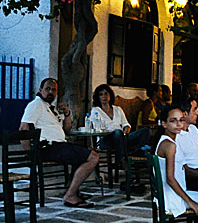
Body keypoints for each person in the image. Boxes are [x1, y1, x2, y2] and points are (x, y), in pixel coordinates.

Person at [19, 78, 99, 208]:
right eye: (47, 89)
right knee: (93, 157)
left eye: (54, 90)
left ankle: (73, 190)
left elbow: (66, 130)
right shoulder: (36, 105)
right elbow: (23, 128)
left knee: (86, 153)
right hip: (49, 147)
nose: (50, 92)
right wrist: (29, 152)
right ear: (40, 90)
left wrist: (67, 113)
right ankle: (70, 195)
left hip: (59, 146)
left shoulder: (52, 109)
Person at [154, 106, 198, 218]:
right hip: (173, 198)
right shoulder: (170, 145)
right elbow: (170, 178)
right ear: (164, 124)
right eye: (173, 121)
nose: (178, 124)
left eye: (181, 120)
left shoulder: (169, 141)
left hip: (173, 194)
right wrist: (190, 202)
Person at [90, 83, 151, 167]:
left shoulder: (118, 109)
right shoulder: (95, 110)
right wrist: (117, 133)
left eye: (106, 93)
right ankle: (122, 161)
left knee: (146, 131)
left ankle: (138, 155)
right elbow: (97, 128)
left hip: (122, 137)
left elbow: (126, 125)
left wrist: (125, 132)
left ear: (110, 95)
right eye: (101, 94)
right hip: (105, 139)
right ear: (98, 97)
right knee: (117, 132)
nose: (104, 96)